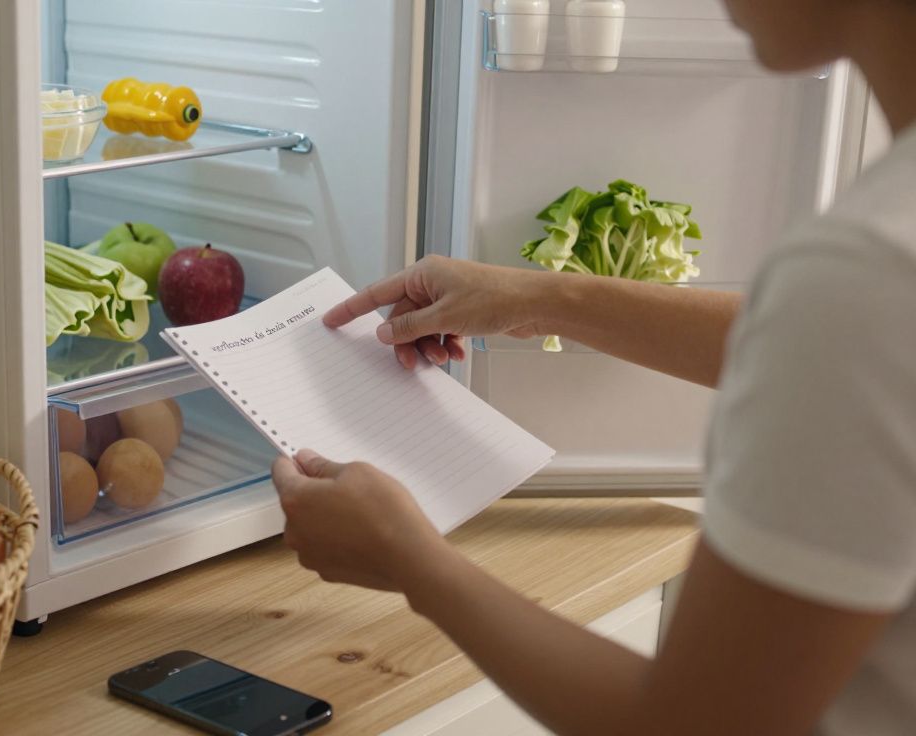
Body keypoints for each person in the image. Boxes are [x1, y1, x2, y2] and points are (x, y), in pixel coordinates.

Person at [271, 0, 916, 733]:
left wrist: (411, 560)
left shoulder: (867, 272)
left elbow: (688, 726)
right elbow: (849, 357)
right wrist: (544, 298)